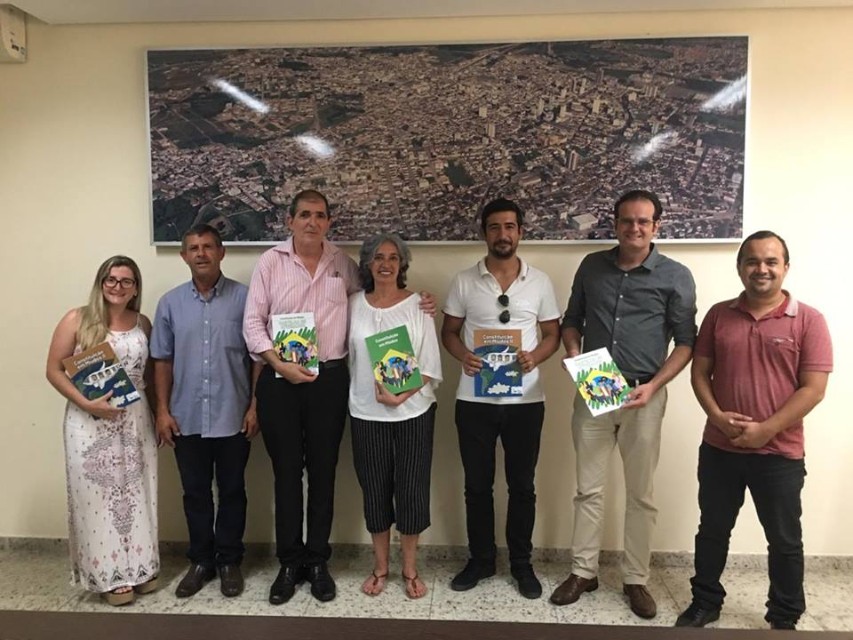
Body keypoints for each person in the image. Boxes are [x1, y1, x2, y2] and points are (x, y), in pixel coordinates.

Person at [243, 189, 435, 605]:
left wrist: (423, 303)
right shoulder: (270, 263)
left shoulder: (342, 266)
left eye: (320, 215)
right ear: (290, 220)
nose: (312, 222)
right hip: (281, 382)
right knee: (287, 474)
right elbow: (253, 325)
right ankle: (289, 563)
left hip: (329, 383)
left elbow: (377, 302)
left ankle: (318, 562)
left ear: (330, 222)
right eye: (305, 215)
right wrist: (279, 364)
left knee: (325, 474)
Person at [675, 231, 832, 631]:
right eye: (752, 261)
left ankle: (783, 615)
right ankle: (704, 602)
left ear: (785, 268)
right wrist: (716, 417)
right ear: (740, 267)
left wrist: (766, 430)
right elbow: (699, 372)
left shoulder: (809, 320)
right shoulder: (718, 314)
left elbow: (813, 389)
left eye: (771, 261)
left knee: (784, 540)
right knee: (712, 530)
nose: (761, 269)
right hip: (719, 449)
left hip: (778, 453)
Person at [551, 189, 697, 619]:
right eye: (626, 221)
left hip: (643, 392)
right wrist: (574, 354)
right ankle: (583, 571)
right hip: (594, 386)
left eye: (643, 222)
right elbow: (571, 320)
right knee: (588, 489)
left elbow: (686, 342)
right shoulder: (592, 266)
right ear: (614, 224)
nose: (634, 228)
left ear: (656, 227)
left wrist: (654, 386)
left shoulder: (676, 275)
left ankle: (636, 580)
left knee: (641, 495)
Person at [441, 197, 560, 599]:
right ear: (484, 233)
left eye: (510, 226)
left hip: (525, 401)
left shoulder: (540, 281)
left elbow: (553, 336)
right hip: (474, 400)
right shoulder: (463, 280)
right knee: (477, 485)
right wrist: (464, 357)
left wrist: (534, 357)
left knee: (522, 486)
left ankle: (522, 564)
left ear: (520, 232)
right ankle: (481, 559)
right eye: (494, 227)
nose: (503, 234)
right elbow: (449, 332)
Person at [150, 224, 260, 600]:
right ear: (184, 256)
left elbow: (258, 359)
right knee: (195, 493)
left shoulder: (246, 300)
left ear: (221, 252)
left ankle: (229, 559)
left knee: (232, 491)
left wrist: (255, 405)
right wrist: (162, 411)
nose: (201, 253)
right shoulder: (169, 304)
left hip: (233, 414)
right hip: (185, 416)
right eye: (193, 247)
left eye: (208, 246)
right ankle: (201, 560)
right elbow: (161, 361)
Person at [45, 255, 159, 606]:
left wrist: (159, 416)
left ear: (136, 287)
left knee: (137, 495)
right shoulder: (77, 319)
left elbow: (151, 376)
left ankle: (140, 568)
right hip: (89, 421)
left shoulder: (143, 322)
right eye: (111, 279)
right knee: (97, 499)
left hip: (135, 419)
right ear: (100, 282)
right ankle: (109, 577)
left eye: (126, 281)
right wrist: (88, 403)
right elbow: (53, 370)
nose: (117, 286)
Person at [348, 233, 442, 600]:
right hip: (365, 413)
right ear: (368, 264)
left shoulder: (420, 304)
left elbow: (430, 364)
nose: (385, 263)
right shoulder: (353, 303)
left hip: (414, 412)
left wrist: (401, 394)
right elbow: (345, 355)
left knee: (412, 490)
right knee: (375, 491)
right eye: (377, 257)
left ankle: (409, 568)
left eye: (392, 257)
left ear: (402, 264)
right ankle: (380, 566)